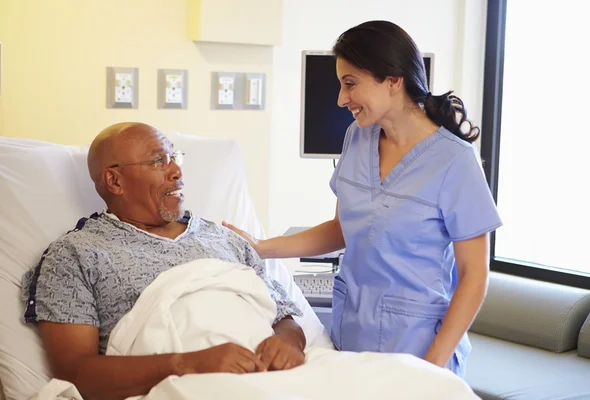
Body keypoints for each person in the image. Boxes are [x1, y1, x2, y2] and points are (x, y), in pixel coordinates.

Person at [223, 20, 502, 377]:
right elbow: (342, 228)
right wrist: (262, 247)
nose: (341, 99)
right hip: (351, 338)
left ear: (393, 80)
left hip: (418, 348)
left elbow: (474, 276)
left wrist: (432, 370)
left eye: (350, 84)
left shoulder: (454, 160)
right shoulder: (357, 138)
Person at [21, 122, 306, 400]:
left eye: (175, 158)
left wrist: (288, 342)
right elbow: (76, 374)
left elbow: (282, 316)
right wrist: (188, 365)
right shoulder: (75, 255)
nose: (177, 171)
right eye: (159, 161)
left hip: (273, 378)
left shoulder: (224, 238)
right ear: (115, 181)